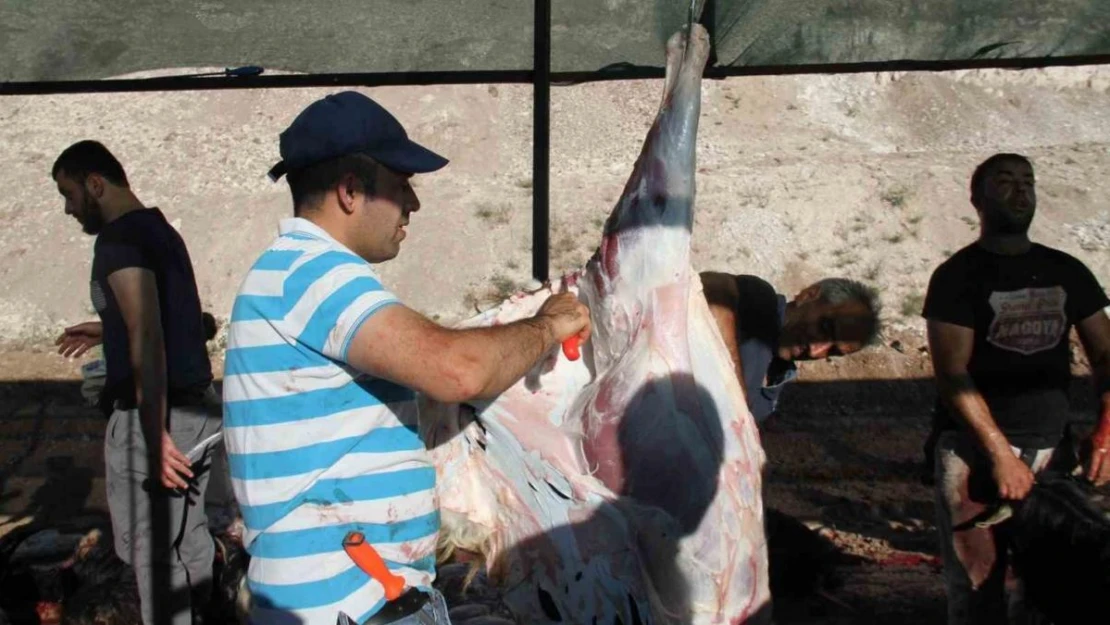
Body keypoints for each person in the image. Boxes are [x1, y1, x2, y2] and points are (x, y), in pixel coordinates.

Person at [222, 90, 591, 625]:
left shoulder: (299, 274)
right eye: (401, 187)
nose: (413, 205)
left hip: (365, 594)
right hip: (342, 604)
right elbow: (456, 369)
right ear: (350, 191)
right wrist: (549, 325)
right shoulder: (311, 272)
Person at [922, 152, 1110, 624]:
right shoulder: (957, 277)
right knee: (977, 589)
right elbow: (952, 373)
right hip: (971, 454)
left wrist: (1106, 428)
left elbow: (1107, 356)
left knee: (1057, 587)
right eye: (1005, 181)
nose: (1021, 190)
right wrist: (1000, 454)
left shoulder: (1067, 271)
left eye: (1028, 180)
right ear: (976, 199)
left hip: (1051, 454)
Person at [52, 140, 223, 625]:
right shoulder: (159, 229)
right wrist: (107, 327)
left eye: (68, 194)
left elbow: (147, 337)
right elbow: (183, 318)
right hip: (199, 412)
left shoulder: (118, 241)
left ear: (95, 184)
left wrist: (153, 436)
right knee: (188, 536)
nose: (67, 209)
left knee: (151, 555)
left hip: (158, 418)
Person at [700, 272, 882, 424]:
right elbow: (713, 285)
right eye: (825, 328)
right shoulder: (760, 302)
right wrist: (734, 392)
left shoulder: (776, 385)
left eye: (833, 351)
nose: (815, 351)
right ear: (808, 295)